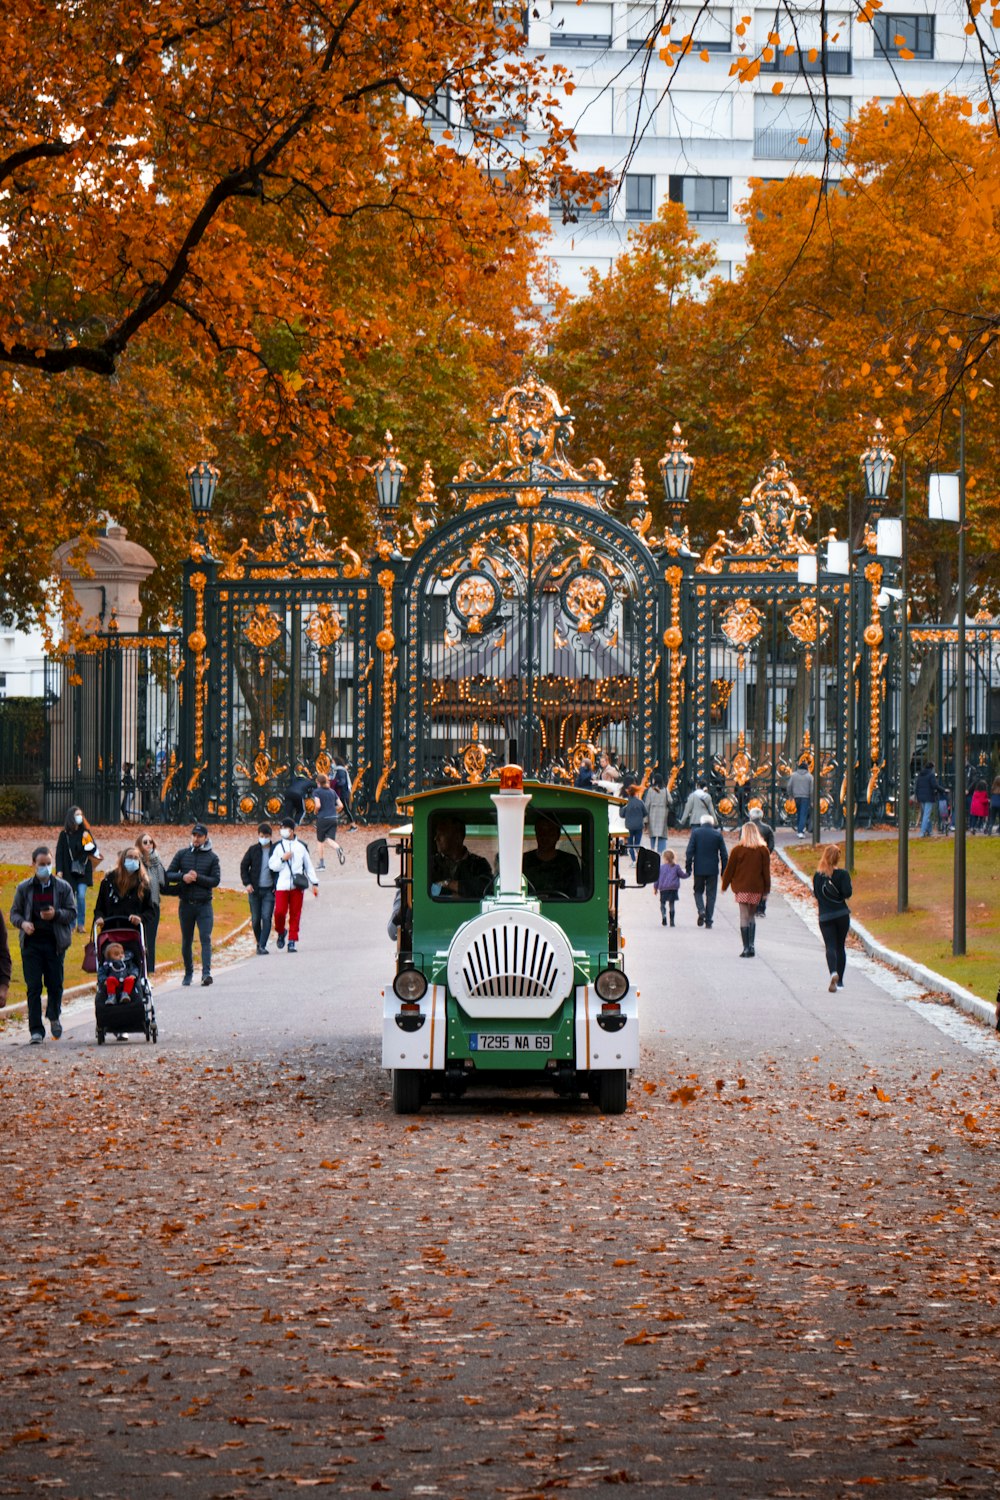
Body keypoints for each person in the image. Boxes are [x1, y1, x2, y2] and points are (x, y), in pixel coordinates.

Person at [9, 847, 77, 1043]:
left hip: (55, 943)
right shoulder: (24, 888)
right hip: (32, 944)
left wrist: (55, 914)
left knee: (55, 984)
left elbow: (72, 913)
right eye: (41, 864)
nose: (45, 868)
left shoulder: (63, 887)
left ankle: (54, 1015)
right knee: (33, 987)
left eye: (48, 863)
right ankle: (36, 1031)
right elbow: (14, 913)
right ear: (33, 865)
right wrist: (23, 923)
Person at [166, 824, 221, 986]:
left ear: (205, 838)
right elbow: (168, 874)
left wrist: (198, 878)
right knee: (187, 940)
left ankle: (206, 973)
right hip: (186, 904)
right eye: (194, 835)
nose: (196, 839)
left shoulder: (212, 857)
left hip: (204, 905)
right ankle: (188, 972)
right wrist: (183, 877)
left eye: (199, 836)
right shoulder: (182, 854)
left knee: (205, 938)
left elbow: (215, 880)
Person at [720, 821, 771, 957]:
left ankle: (746, 947)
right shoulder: (763, 851)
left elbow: (729, 870)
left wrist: (724, 886)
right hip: (756, 888)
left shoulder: (737, 850)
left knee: (743, 916)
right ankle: (752, 945)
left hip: (741, 887)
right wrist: (766, 890)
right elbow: (766, 872)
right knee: (751, 916)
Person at [269, 819, 319, 952]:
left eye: (285, 828)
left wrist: (314, 882)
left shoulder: (301, 846)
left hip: (297, 885)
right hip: (282, 884)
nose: (283, 830)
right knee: (279, 912)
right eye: (282, 828)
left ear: (292, 830)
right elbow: (272, 865)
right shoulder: (278, 847)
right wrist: (282, 859)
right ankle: (281, 931)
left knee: (295, 914)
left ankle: (292, 940)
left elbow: (308, 866)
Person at [54, 805, 102, 934]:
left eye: (81, 814)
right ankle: (71, 924)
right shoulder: (64, 835)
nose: (80, 817)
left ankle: (81, 924)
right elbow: (59, 853)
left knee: (81, 896)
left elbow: (93, 850)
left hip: (83, 869)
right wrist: (59, 870)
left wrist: (88, 841)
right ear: (71, 817)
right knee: (70, 898)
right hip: (68, 870)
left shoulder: (85, 832)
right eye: (77, 815)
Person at [812, 843, 852, 992]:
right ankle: (840, 981)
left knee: (830, 946)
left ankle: (832, 972)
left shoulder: (818, 876)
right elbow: (847, 893)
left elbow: (816, 894)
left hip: (825, 916)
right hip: (841, 914)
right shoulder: (843, 874)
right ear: (837, 858)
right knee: (840, 946)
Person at [429, 814, 492, 899]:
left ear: (457, 838)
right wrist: (457, 894)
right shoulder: (431, 863)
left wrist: (448, 884)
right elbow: (423, 889)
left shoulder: (479, 864)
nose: (436, 838)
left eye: (441, 834)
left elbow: (486, 888)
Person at [522, 811, 582, 898]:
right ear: (536, 834)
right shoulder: (524, 860)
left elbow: (578, 893)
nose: (545, 836)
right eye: (541, 831)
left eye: (550, 832)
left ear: (558, 835)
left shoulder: (570, 861)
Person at [684, 813, 728, 929]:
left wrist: (688, 867)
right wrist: (724, 871)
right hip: (713, 869)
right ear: (712, 823)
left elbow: (689, 852)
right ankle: (709, 920)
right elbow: (724, 854)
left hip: (698, 868)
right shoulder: (717, 835)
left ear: (701, 822)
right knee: (711, 894)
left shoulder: (696, 833)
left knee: (698, 891)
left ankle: (701, 909)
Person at [241, 822, 276, 955]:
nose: (264, 838)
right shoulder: (253, 850)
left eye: (266, 836)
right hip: (254, 890)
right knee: (255, 919)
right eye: (261, 836)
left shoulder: (275, 850)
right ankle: (259, 941)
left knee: (266, 917)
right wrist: (247, 883)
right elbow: (244, 867)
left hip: (269, 890)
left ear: (270, 836)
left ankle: (262, 945)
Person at [137, 833, 167, 972]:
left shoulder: (157, 861)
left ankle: (150, 969)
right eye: (145, 842)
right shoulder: (135, 861)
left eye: (150, 842)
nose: (149, 844)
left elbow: (164, 882)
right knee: (138, 939)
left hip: (153, 905)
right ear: (139, 845)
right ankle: (138, 968)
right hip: (138, 906)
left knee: (150, 940)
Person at [312, 774, 345, 869]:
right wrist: (335, 811)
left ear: (318, 783)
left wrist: (315, 811)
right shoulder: (332, 792)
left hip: (322, 818)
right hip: (333, 818)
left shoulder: (317, 792)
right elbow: (341, 805)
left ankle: (322, 864)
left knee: (320, 841)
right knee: (330, 839)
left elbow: (317, 805)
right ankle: (338, 848)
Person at [746, 806, 774, 916]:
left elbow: (741, 842)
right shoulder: (767, 829)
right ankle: (761, 908)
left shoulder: (746, 828)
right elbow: (771, 845)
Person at [654, 849, 689, 926]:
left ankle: (664, 916)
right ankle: (672, 920)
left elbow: (656, 879)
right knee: (671, 904)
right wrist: (688, 874)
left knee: (662, 904)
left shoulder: (661, 867)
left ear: (664, 858)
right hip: (673, 888)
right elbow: (682, 875)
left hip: (663, 888)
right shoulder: (676, 867)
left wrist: (655, 888)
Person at [915, 761, 946, 838]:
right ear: (932, 768)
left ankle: (929, 830)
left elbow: (917, 786)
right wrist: (943, 790)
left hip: (921, 797)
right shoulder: (931, 775)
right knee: (926, 814)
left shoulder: (920, 775)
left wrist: (917, 796)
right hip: (929, 796)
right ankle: (922, 832)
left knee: (925, 814)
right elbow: (934, 785)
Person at [644, 776, 672, 853]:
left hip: (652, 815)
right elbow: (670, 800)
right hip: (663, 816)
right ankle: (661, 853)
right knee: (662, 836)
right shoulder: (665, 790)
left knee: (652, 836)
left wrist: (645, 820)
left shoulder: (650, 790)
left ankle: (653, 852)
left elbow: (647, 805)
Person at [787, 761, 814, 838]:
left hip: (796, 797)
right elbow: (812, 790)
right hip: (806, 797)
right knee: (803, 814)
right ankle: (800, 831)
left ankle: (799, 828)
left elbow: (789, 786)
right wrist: (812, 800)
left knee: (799, 813)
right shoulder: (809, 776)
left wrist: (791, 795)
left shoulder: (794, 775)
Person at [622, 785, 646, 864]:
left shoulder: (626, 803)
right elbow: (645, 813)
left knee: (630, 844)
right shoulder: (640, 802)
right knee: (637, 844)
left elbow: (621, 814)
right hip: (639, 825)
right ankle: (639, 859)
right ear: (636, 793)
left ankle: (633, 860)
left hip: (629, 826)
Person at [332, 756, 357, 827]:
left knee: (346, 809)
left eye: (333, 762)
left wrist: (335, 783)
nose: (332, 764)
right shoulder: (339, 770)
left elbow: (342, 782)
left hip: (342, 793)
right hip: (341, 793)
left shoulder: (340, 771)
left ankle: (353, 825)